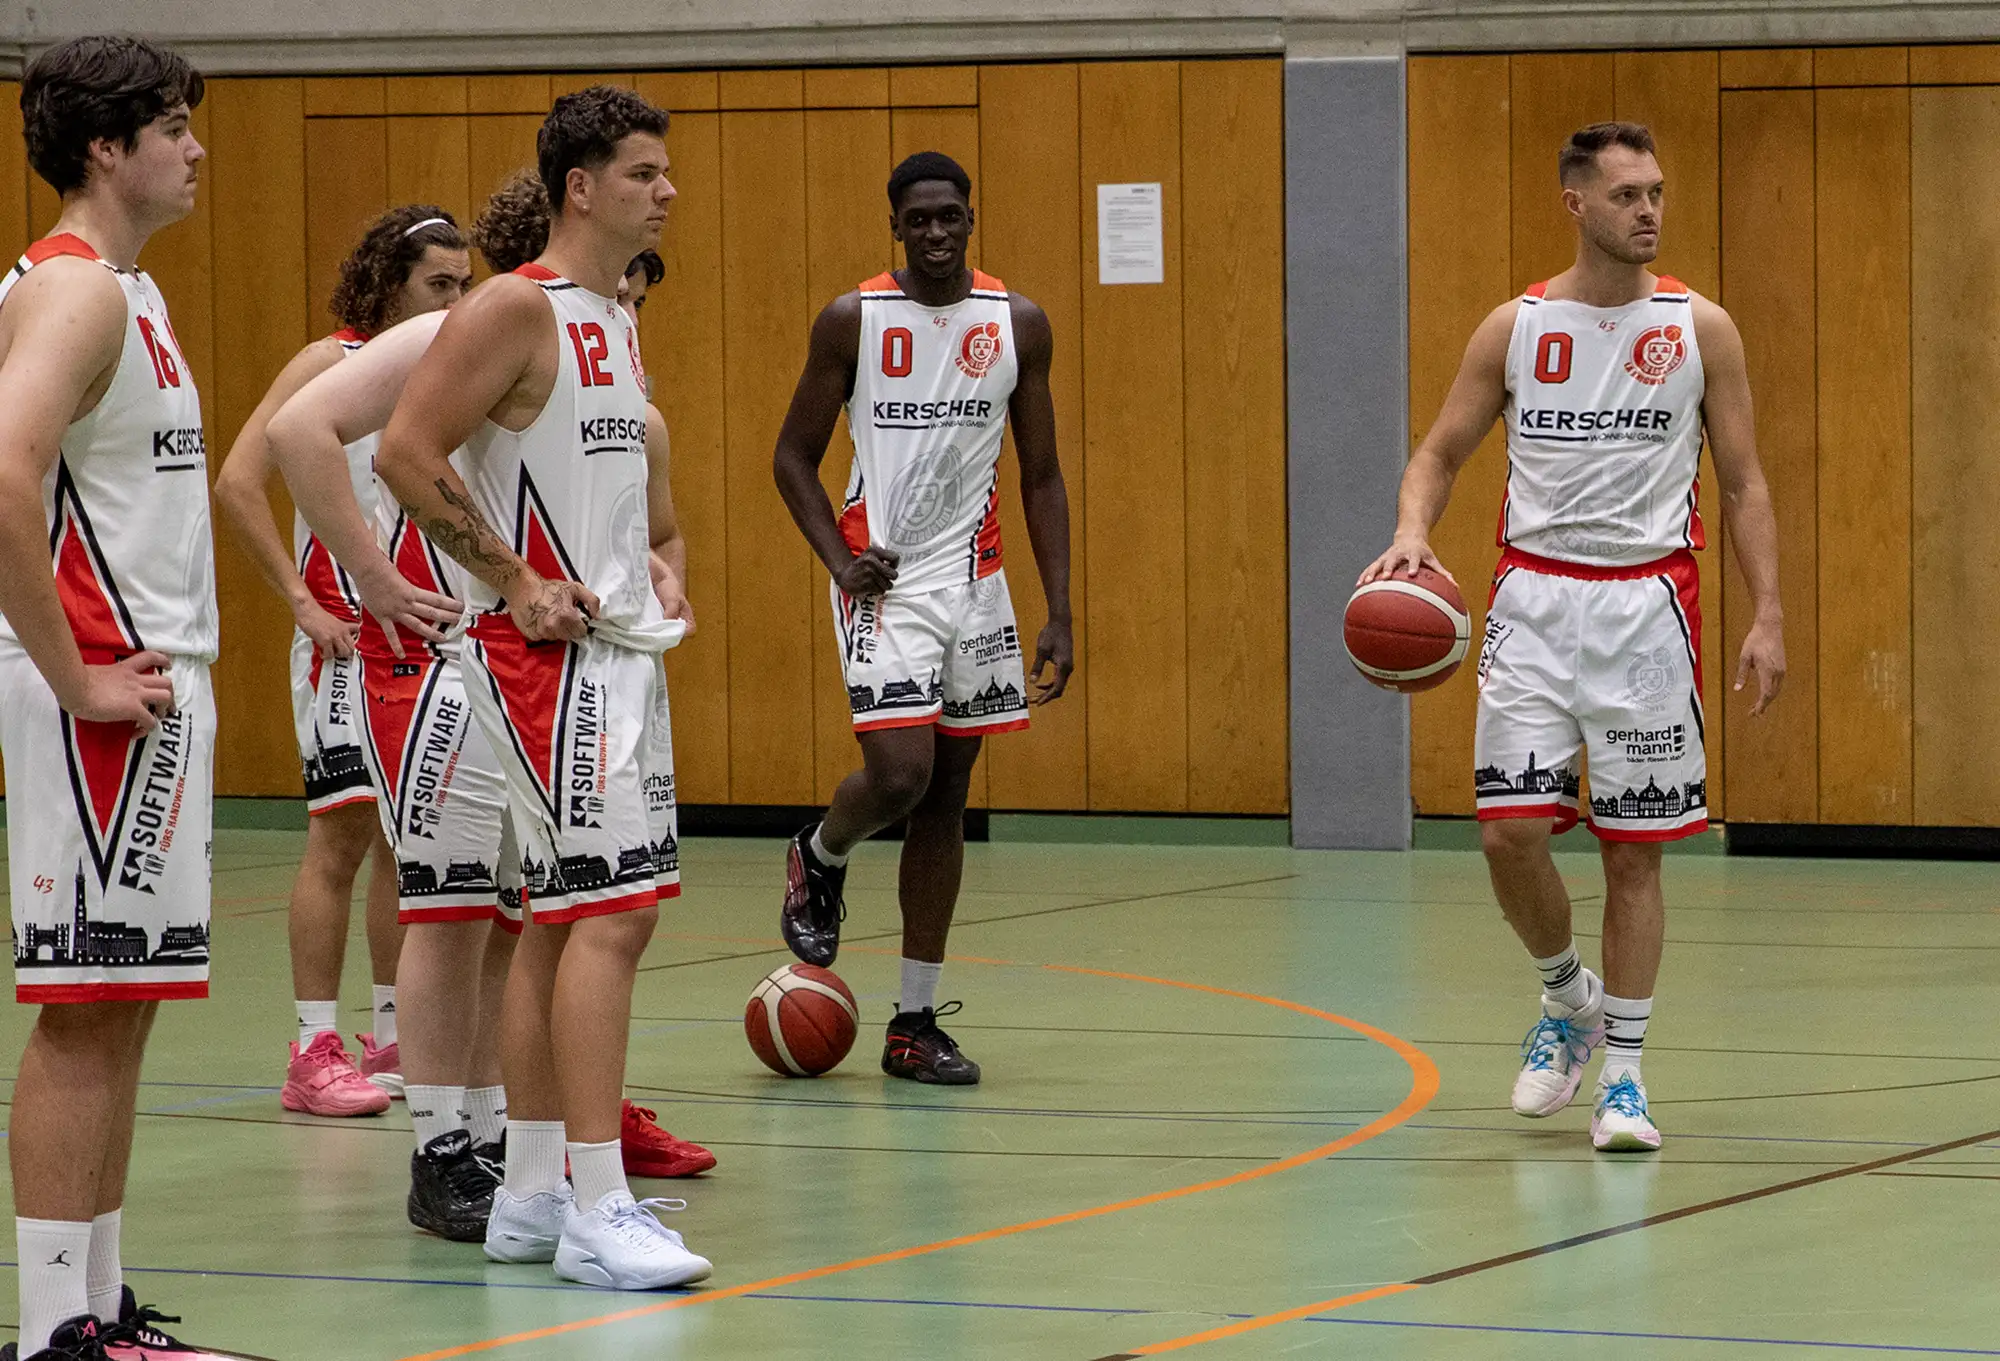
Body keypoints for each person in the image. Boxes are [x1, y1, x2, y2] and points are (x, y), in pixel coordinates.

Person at [1360, 122, 1786, 1152]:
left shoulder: (1699, 327)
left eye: (1655, 192)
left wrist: (1767, 611)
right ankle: (1566, 1000)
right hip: (1529, 605)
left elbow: (1741, 483)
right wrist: (1410, 531)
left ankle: (1626, 1081)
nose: (1648, 210)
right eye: (1628, 194)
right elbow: (1436, 452)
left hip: (1646, 607)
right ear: (1575, 204)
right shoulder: (1515, 326)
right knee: (1506, 834)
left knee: (1633, 855)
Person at [375, 89, 710, 1289]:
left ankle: (526, 1190)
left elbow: (608, 489)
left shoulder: (613, 316)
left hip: (614, 654)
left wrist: (656, 568)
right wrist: (515, 577)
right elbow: (404, 450)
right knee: (610, 920)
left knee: (556, 921)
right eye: (641, 171)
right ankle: (598, 1201)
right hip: (548, 664)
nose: (664, 188)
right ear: (579, 184)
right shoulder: (517, 303)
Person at [0, 34, 235, 1361]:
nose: (196, 149)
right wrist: (71, 669)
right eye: (174, 127)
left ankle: (95, 1305)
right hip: (95, 680)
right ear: (107, 145)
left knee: (126, 998)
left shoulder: (122, 291)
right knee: (83, 1005)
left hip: (140, 680)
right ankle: (51, 1334)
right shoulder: (77, 293)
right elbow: (3, 472)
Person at [771, 151, 1074, 1086]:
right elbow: (791, 457)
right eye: (920, 219)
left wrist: (1060, 609)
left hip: (977, 584)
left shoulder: (1016, 322)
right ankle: (818, 854)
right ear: (895, 225)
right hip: (884, 581)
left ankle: (912, 1022)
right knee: (899, 771)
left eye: (952, 217)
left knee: (948, 795)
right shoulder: (853, 321)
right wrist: (838, 559)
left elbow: (1040, 474)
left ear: (970, 219)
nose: (937, 232)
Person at [214, 204, 473, 1118]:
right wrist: (299, 596)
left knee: (413, 841)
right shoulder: (331, 363)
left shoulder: (444, 372)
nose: (455, 299)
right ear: (387, 281)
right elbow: (240, 481)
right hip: (341, 638)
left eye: (464, 285)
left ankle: (393, 1029)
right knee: (341, 836)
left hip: (425, 636)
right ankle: (311, 1044)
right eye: (437, 284)